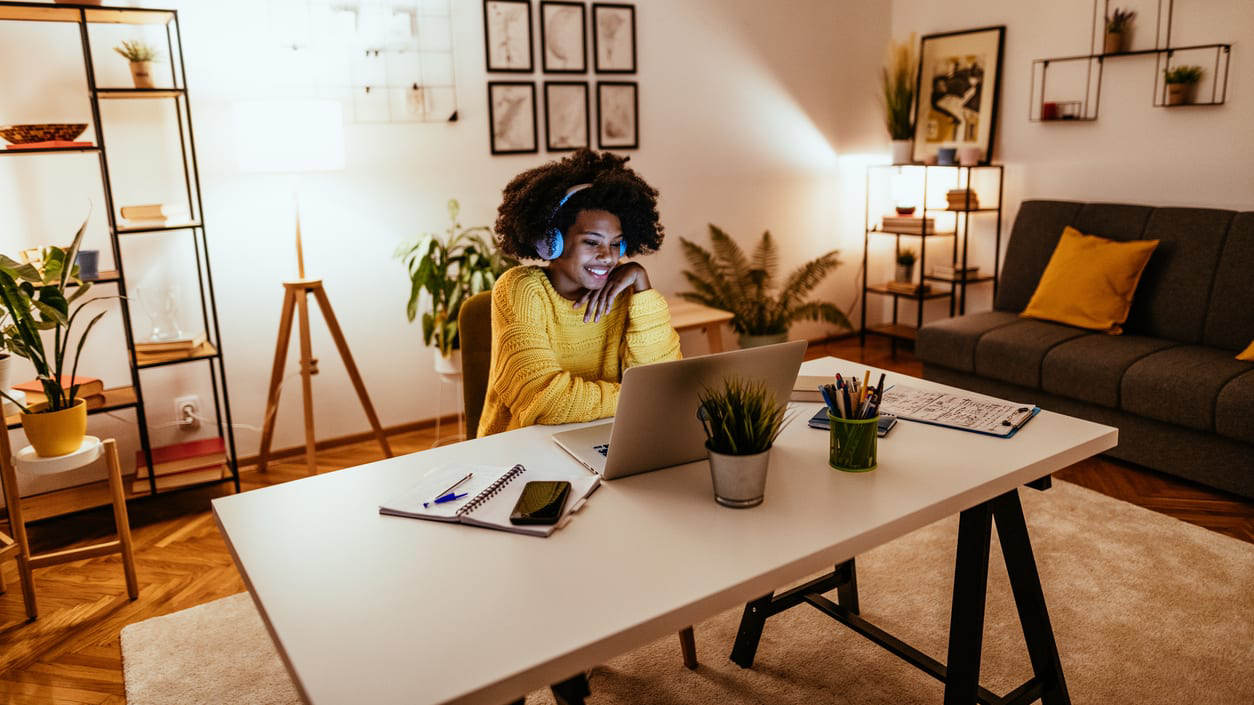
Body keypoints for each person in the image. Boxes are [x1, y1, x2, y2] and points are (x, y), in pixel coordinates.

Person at [478, 149, 681, 437]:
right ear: (551, 243)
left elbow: (665, 380)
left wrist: (642, 287)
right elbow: (544, 402)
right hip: (523, 450)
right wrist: (639, 398)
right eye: (591, 242)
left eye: (616, 244)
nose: (607, 257)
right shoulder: (522, 289)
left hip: (606, 439)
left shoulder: (624, 293)